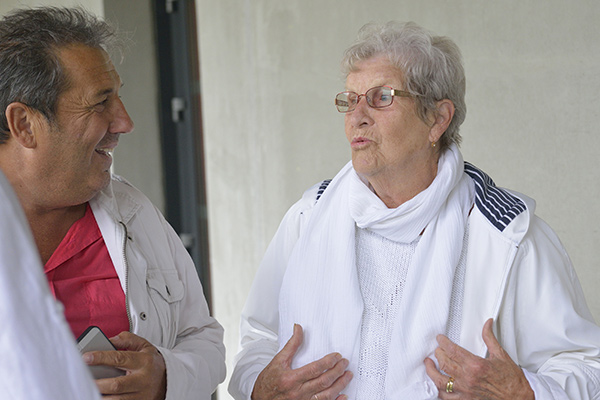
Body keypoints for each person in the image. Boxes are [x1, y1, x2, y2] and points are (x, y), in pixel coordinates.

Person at [229, 21, 600, 400]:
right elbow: (258, 342)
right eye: (349, 99)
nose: (356, 116)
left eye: (380, 97)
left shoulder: (506, 236)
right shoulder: (308, 218)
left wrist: (524, 393)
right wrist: (261, 387)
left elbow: (588, 369)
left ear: (437, 119)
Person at [0, 6, 225, 400]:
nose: (124, 122)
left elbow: (201, 337)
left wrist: (165, 377)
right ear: (24, 124)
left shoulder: (134, 214)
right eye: (100, 102)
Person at [0, 169, 102, 399]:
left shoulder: (134, 212)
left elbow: (196, 333)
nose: (123, 129)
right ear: (25, 131)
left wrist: (166, 376)